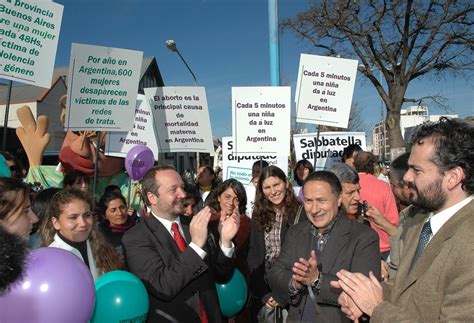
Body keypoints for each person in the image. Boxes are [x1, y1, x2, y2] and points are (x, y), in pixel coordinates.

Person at [332, 117, 474, 321]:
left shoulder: (469, 244)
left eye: (417, 170)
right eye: (409, 167)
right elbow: (403, 291)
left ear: (453, 177)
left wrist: (376, 308)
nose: (406, 177)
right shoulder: (418, 222)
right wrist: (362, 295)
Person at [122, 165, 240, 322]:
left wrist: (225, 242)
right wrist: (196, 246)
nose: (183, 194)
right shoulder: (135, 238)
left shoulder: (195, 224)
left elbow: (221, 275)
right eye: (173, 190)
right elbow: (162, 286)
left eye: (182, 188)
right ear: (152, 197)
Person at [266, 171, 380, 322]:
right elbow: (274, 274)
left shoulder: (363, 237)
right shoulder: (295, 232)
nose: (314, 209)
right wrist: (294, 283)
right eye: (308, 201)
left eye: (321, 200)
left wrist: (317, 280)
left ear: (339, 199)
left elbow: (366, 295)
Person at [247, 165, 303, 322]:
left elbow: (302, 257)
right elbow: (254, 256)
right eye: (267, 187)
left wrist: (283, 294)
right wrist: (264, 293)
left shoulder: (300, 213)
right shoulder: (259, 215)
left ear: (286, 183)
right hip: (265, 292)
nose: (273, 191)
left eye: (276, 184)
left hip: (293, 294)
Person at [40, 189, 122, 280]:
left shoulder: (100, 248)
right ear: (56, 223)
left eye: (87, 215)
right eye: (73, 217)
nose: (83, 223)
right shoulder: (50, 261)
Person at [206, 178, 251, 321]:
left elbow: (235, 249)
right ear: (218, 197)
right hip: (210, 286)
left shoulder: (244, 222)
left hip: (235, 284)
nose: (231, 203)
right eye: (227, 197)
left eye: (236, 199)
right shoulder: (208, 220)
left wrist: (225, 233)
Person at [353, 151, 399, 259]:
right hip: (384, 247)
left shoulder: (349, 187)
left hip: (358, 248)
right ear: (374, 166)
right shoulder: (383, 186)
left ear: (354, 166)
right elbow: (394, 220)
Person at [97, 191, 137, 258]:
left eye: (122, 207)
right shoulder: (100, 236)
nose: (120, 213)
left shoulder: (138, 226)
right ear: (104, 215)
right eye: (113, 210)